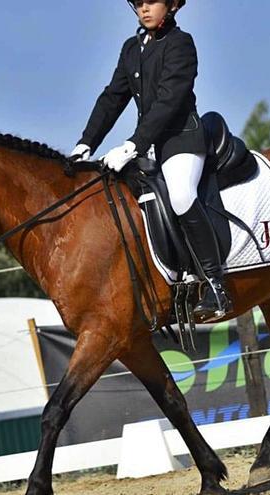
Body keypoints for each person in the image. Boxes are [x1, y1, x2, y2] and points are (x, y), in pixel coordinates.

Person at [69, 0, 232, 322]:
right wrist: (85, 143)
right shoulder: (131, 48)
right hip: (149, 144)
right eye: (138, 3)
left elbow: (170, 100)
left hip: (182, 140)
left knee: (182, 195)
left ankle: (216, 286)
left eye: (151, 2)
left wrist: (132, 144)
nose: (144, 9)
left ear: (171, 5)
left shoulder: (180, 44)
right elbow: (113, 97)